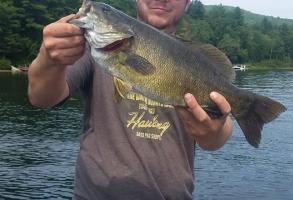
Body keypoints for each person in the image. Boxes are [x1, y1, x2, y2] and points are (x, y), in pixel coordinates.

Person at [28, 0, 233, 199]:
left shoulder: (196, 60)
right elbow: (41, 98)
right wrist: (49, 60)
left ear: (188, 3)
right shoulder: (89, 48)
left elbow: (219, 135)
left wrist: (215, 132)